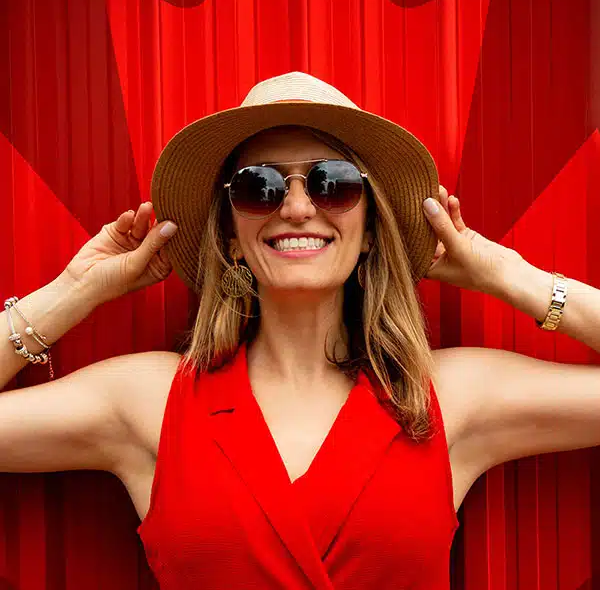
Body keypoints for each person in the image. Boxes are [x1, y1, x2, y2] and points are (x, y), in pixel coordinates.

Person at [1, 71, 600, 589]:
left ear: (370, 228)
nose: (295, 208)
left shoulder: (446, 397)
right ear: (231, 236)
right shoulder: (152, 402)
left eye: (331, 182)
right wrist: (75, 292)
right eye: (259, 187)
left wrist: (510, 277)